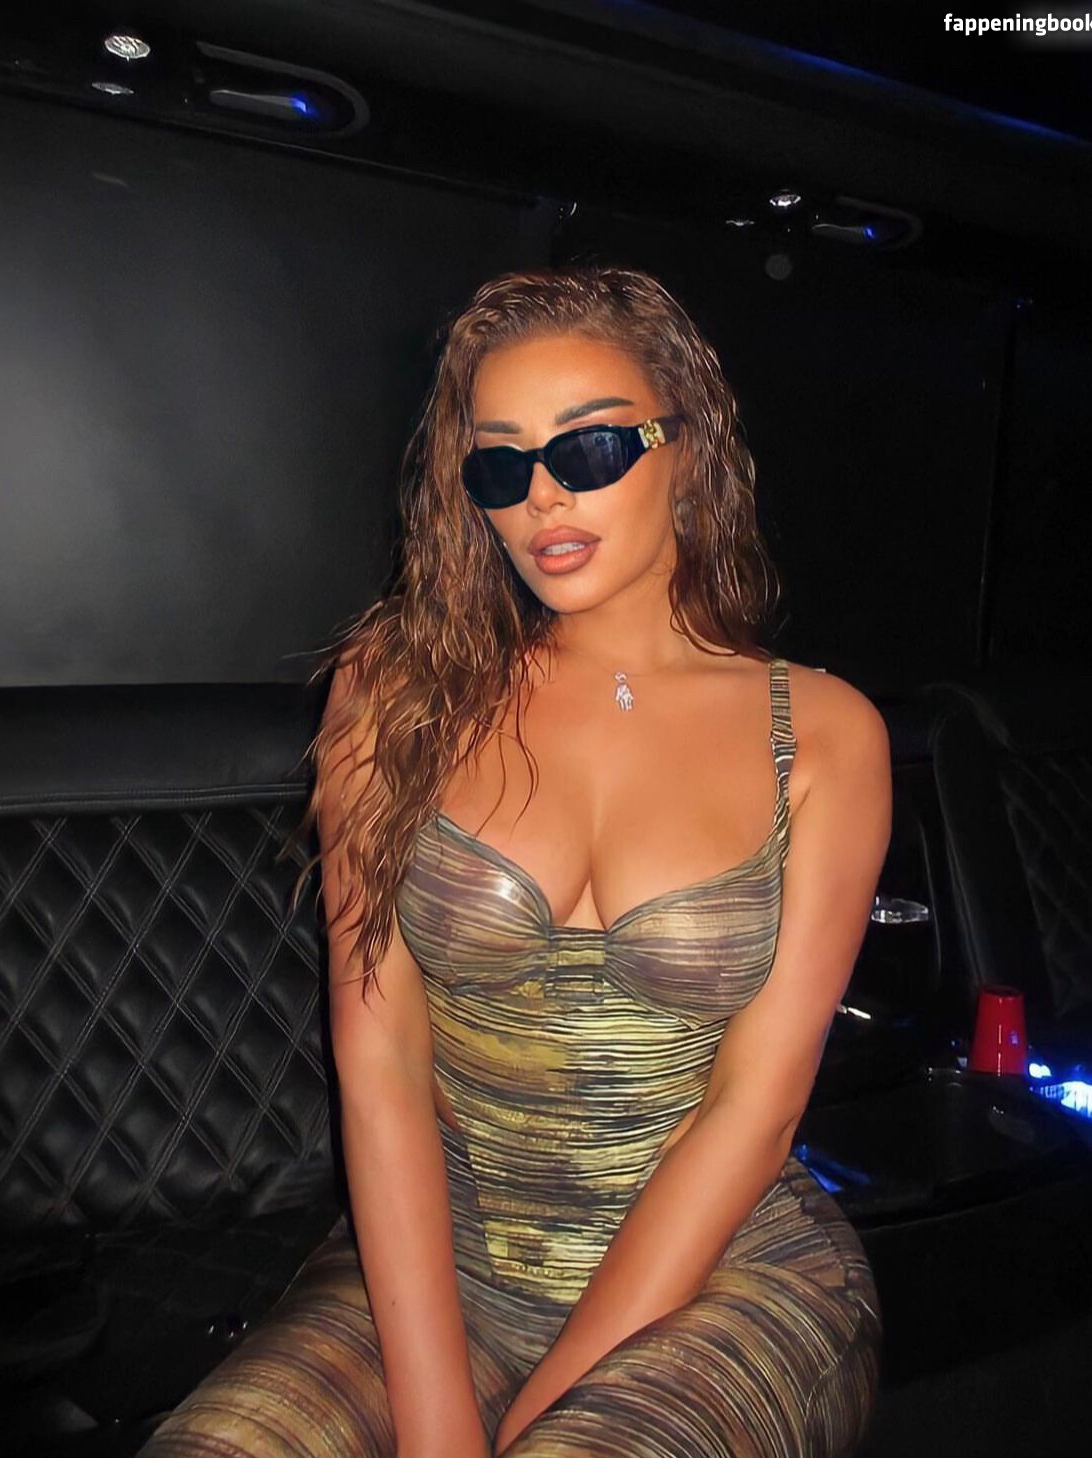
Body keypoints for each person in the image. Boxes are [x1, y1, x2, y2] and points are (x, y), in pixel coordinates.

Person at [139, 264, 891, 1458]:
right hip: (446, 1274)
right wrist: (440, 1415)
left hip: (723, 1284)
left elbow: (755, 1111)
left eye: (588, 449)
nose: (542, 496)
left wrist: (538, 1417)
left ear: (688, 448)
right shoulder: (397, 689)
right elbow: (381, 1060)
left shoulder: (825, 735)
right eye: (500, 465)